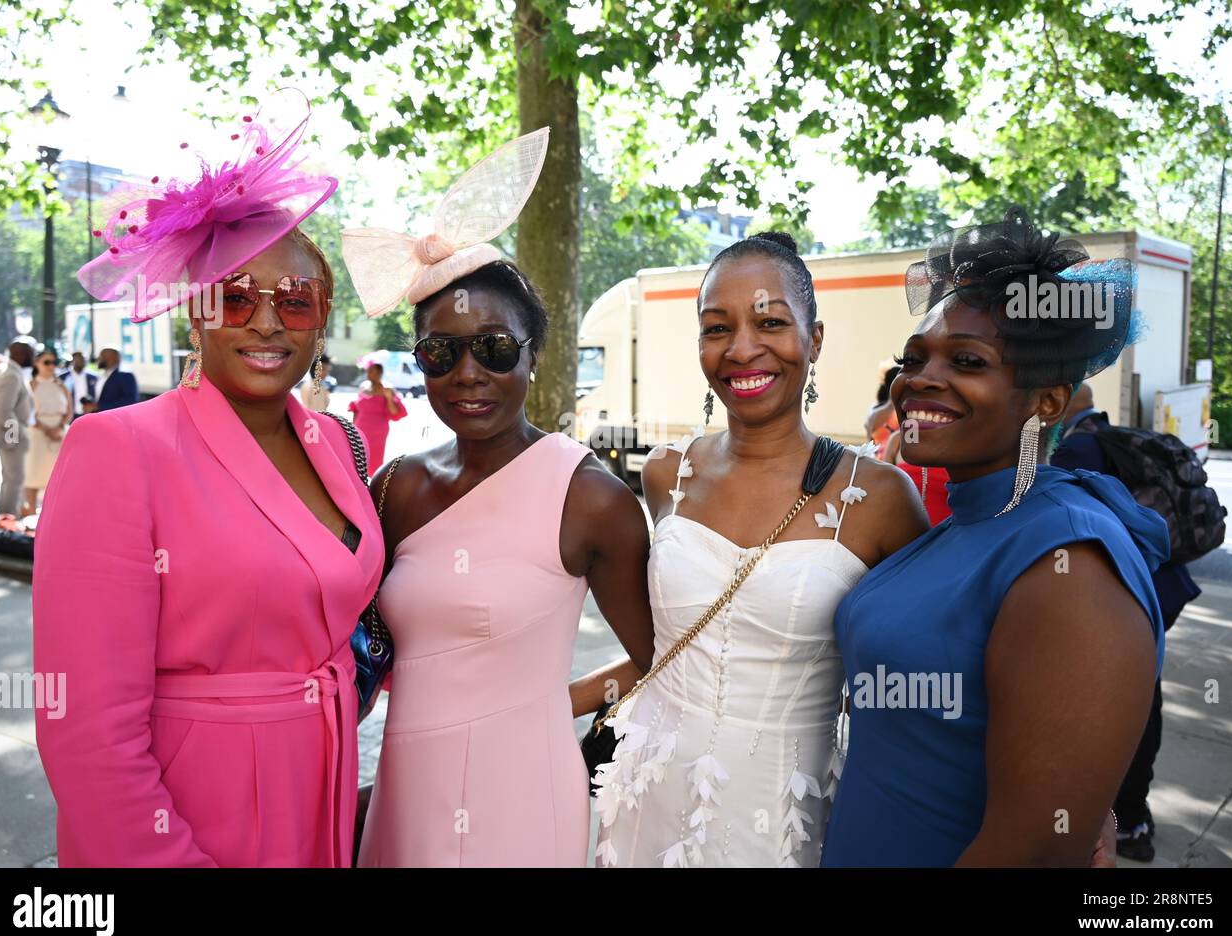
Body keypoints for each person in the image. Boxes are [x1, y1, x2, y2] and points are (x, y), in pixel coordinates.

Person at [33, 96, 382, 867]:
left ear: (320, 317)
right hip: (193, 816)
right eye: (234, 295)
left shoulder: (335, 443)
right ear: (194, 311)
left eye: (295, 301)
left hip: (319, 797)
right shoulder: (116, 450)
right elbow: (87, 734)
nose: (266, 321)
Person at [343, 128, 656, 867]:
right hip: (403, 786)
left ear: (532, 353)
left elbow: (656, 655)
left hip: (525, 791)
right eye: (440, 352)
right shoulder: (394, 486)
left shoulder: (591, 499)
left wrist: (544, 708)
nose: (467, 372)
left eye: (494, 347)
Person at [822, 206, 1168, 867]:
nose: (920, 379)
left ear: (1048, 402)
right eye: (913, 357)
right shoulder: (963, 524)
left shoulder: (1067, 557)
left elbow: (1035, 847)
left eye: (967, 360)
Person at [591, 232, 929, 867]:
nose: (742, 348)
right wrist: (541, 706)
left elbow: (912, 680)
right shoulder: (667, 471)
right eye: (717, 328)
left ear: (815, 339)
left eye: (770, 322)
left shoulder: (880, 496)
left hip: (779, 813)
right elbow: (660, 653)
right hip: (648, 790)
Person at [1051, 382, 1201, 862]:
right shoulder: (1112, 436)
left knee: (1122, 712)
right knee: (1142, 701)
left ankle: (1127, 819)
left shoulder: (1077, 448)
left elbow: (1077, 527)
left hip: (1129, 594)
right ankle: (1134, 816)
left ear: (1063, 402)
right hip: (1159, 587)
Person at [0, 337, 36, 515]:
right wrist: (15, 438)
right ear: (20, 354)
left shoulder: (5, 370)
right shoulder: (11, 375)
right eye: (30, 352)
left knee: (10, 480)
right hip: (11, 437)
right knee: (15, 481)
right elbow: (3, 411)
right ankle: (9, 520)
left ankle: (7, 518)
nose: (33, 356)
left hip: (9, 435)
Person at [22, 348, 72, 515]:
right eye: (46, 362)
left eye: (54, 362)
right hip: (37, 433)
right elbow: (26, 411)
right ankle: (30, 512)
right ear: (37, 363)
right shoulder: (30, 385)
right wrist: (45, 429)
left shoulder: (61, 385)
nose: (51, 366)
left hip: (59, 433)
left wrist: (58, 428)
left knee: (59, 475)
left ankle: (55, 512)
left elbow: (69, 410)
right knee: (33, 473)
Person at [348, 360, 406, 475]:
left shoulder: (387, 389)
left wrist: (389, 398)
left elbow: (395, 412)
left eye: (372, 372)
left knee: (374, 460)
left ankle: (372, 484)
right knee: (357, 459)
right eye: (368, 371)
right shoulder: (364, 387)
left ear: (380, 373)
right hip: (359, 430)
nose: (369, 374)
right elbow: (356, 410)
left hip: (377, 433)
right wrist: (352, 428)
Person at [83, 346, 138, 412]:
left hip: (115, 418)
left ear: (111, 358)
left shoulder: (125, 376)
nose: (98, 359)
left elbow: (130, 400)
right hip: (100, 416)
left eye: (101, 356)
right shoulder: (101, 375)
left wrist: (99, 406)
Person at [58, 351, 98, 420]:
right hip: (70, 414)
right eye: (78, 359)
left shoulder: (93, 377)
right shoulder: (63, 377)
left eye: (83, 359)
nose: (81, 361)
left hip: (88, 413)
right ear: (73, 360)